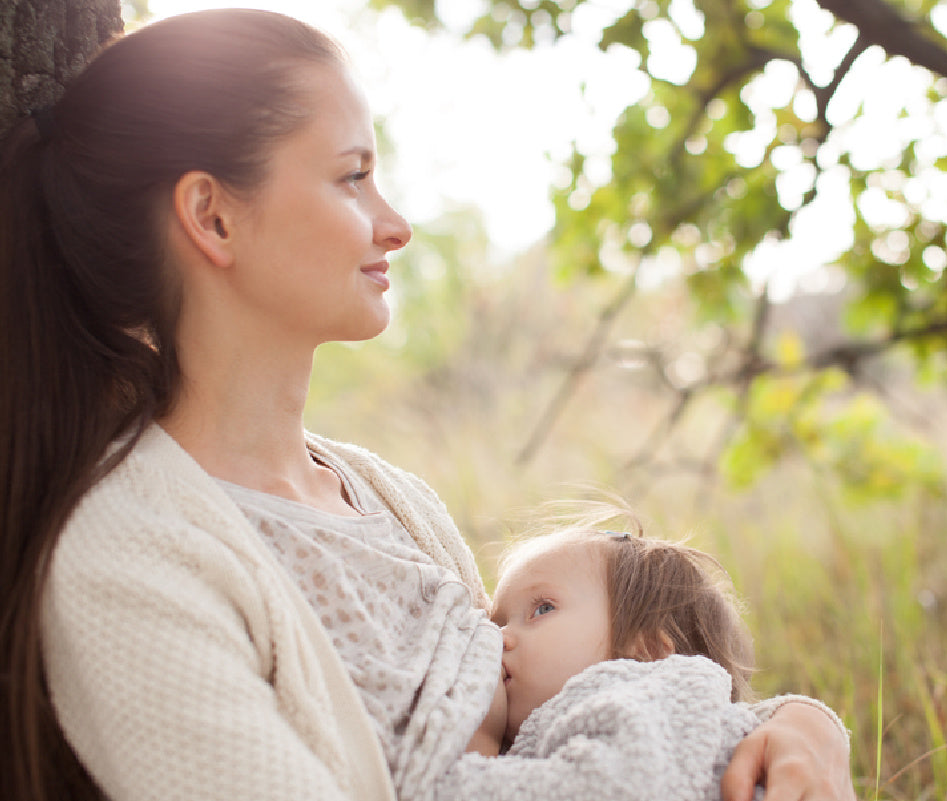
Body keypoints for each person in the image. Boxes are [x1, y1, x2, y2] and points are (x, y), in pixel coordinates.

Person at [0, 8, 855, 801]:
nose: (395, 223)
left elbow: (572, 716)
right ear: (212, 217)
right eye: (352, 179)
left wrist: (800, 725)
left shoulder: (390, 499)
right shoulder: (127, 557)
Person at [405, 512, 847, 800]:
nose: (499, 638)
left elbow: (614, 787)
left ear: (648, 650)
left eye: (541, 609)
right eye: (497, 621)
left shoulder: (638, 693)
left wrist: (466, 758)